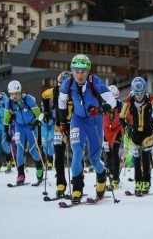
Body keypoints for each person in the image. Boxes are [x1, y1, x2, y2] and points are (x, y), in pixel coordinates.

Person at [58, 54, 116, 203]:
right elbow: (62, 102)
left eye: (83, 71)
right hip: (77, 120)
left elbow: (112, 99)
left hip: (94, 121)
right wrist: (63, 122)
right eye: (76, 71)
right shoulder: (67, 83)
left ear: (88, 71)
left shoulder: (95, 82)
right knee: (77, 151)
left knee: (94, 159)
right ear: (72, 71)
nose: (79, 75)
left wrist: (103, 108)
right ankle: (77, 188)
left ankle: (101, 181)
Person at [120, 77, 153, 195]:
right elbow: (121, 116)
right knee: (136, 158)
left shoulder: (151, 98)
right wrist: (126, 127)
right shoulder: (128, 101)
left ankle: (146, 182)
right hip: (135, 133)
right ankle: (138, 182)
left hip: (148, 132)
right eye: (136, 93)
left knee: (145, 157)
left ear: (144, 90)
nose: (139, 96)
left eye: (141, 93)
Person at [3, 80, 44, 184]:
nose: (14, 96)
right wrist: (6, 134)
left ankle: (39, 166)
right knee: (19, 149)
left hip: (31, 126)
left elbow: (39, 114)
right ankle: (20, 175)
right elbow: (6, 119)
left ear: (20, 92)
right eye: (12, 94)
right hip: (19, 127)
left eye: (16, 94)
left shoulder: (27, 99)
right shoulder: (9, 102)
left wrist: (36, 123)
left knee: (32, 150)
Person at [42, 71, 73, 197]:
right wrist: (46, 112)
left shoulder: (76, 92)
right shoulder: (54, 91)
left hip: (75, 125)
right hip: (59, 126)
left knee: (76, 153)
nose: (62, 89)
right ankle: (60, 184)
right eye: (60, 86)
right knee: (58, 154)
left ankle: (78, 181)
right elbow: (44, 95)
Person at [102, 85, 125, 190]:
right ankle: (110, 175)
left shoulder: (120, 104)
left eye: (115, 99)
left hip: (117, 130)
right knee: (108, 154)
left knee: (115, 152)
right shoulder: (103, 104)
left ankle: (115, 178)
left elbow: (125, 116)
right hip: (106, 131)